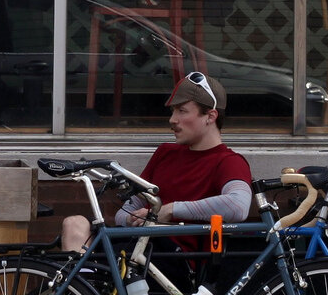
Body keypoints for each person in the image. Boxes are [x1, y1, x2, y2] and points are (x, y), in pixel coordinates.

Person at [60, 71, 252, 253]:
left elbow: (238, 206)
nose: (172, 119)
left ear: (210, 116)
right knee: (74, 224)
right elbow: (125, 211)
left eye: (182, 111)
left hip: (172, 258)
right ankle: (78, 287)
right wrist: (133, 218)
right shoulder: (165, 153)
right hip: (136, 243)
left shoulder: (229, 161)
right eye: (173, 111)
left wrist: (170, 210)